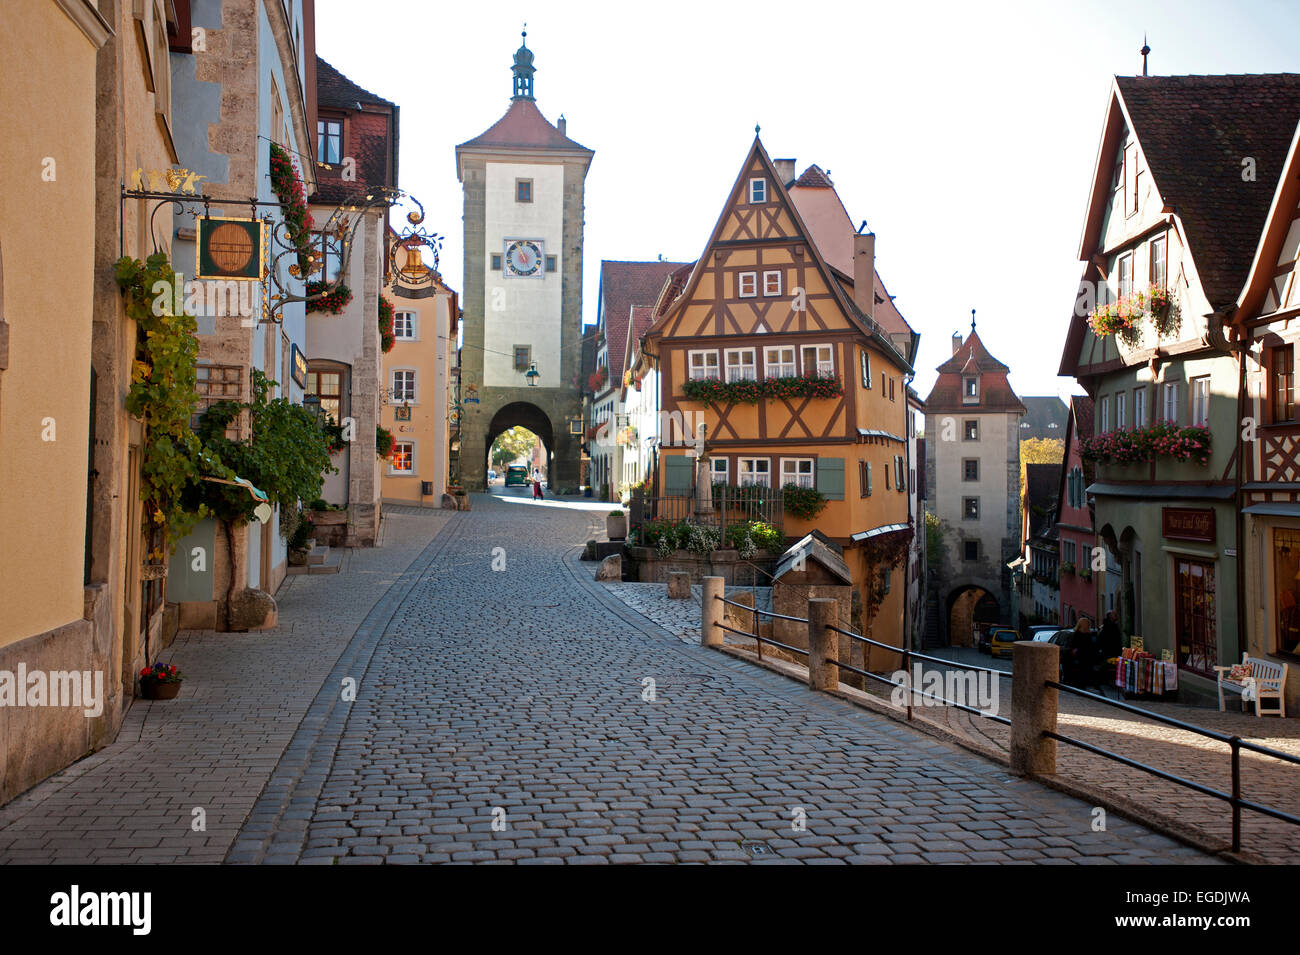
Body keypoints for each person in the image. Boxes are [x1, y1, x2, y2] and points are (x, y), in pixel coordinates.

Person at [1061, 617, 1100, 689]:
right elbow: (1091, 647)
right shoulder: (1089, 636)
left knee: (1080, 673)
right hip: (1086, 658)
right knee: (1085, 673)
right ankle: (1083, 685)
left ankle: (1078, 685)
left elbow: (1072, 646)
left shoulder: (1076, 634)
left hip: (1079, 657)